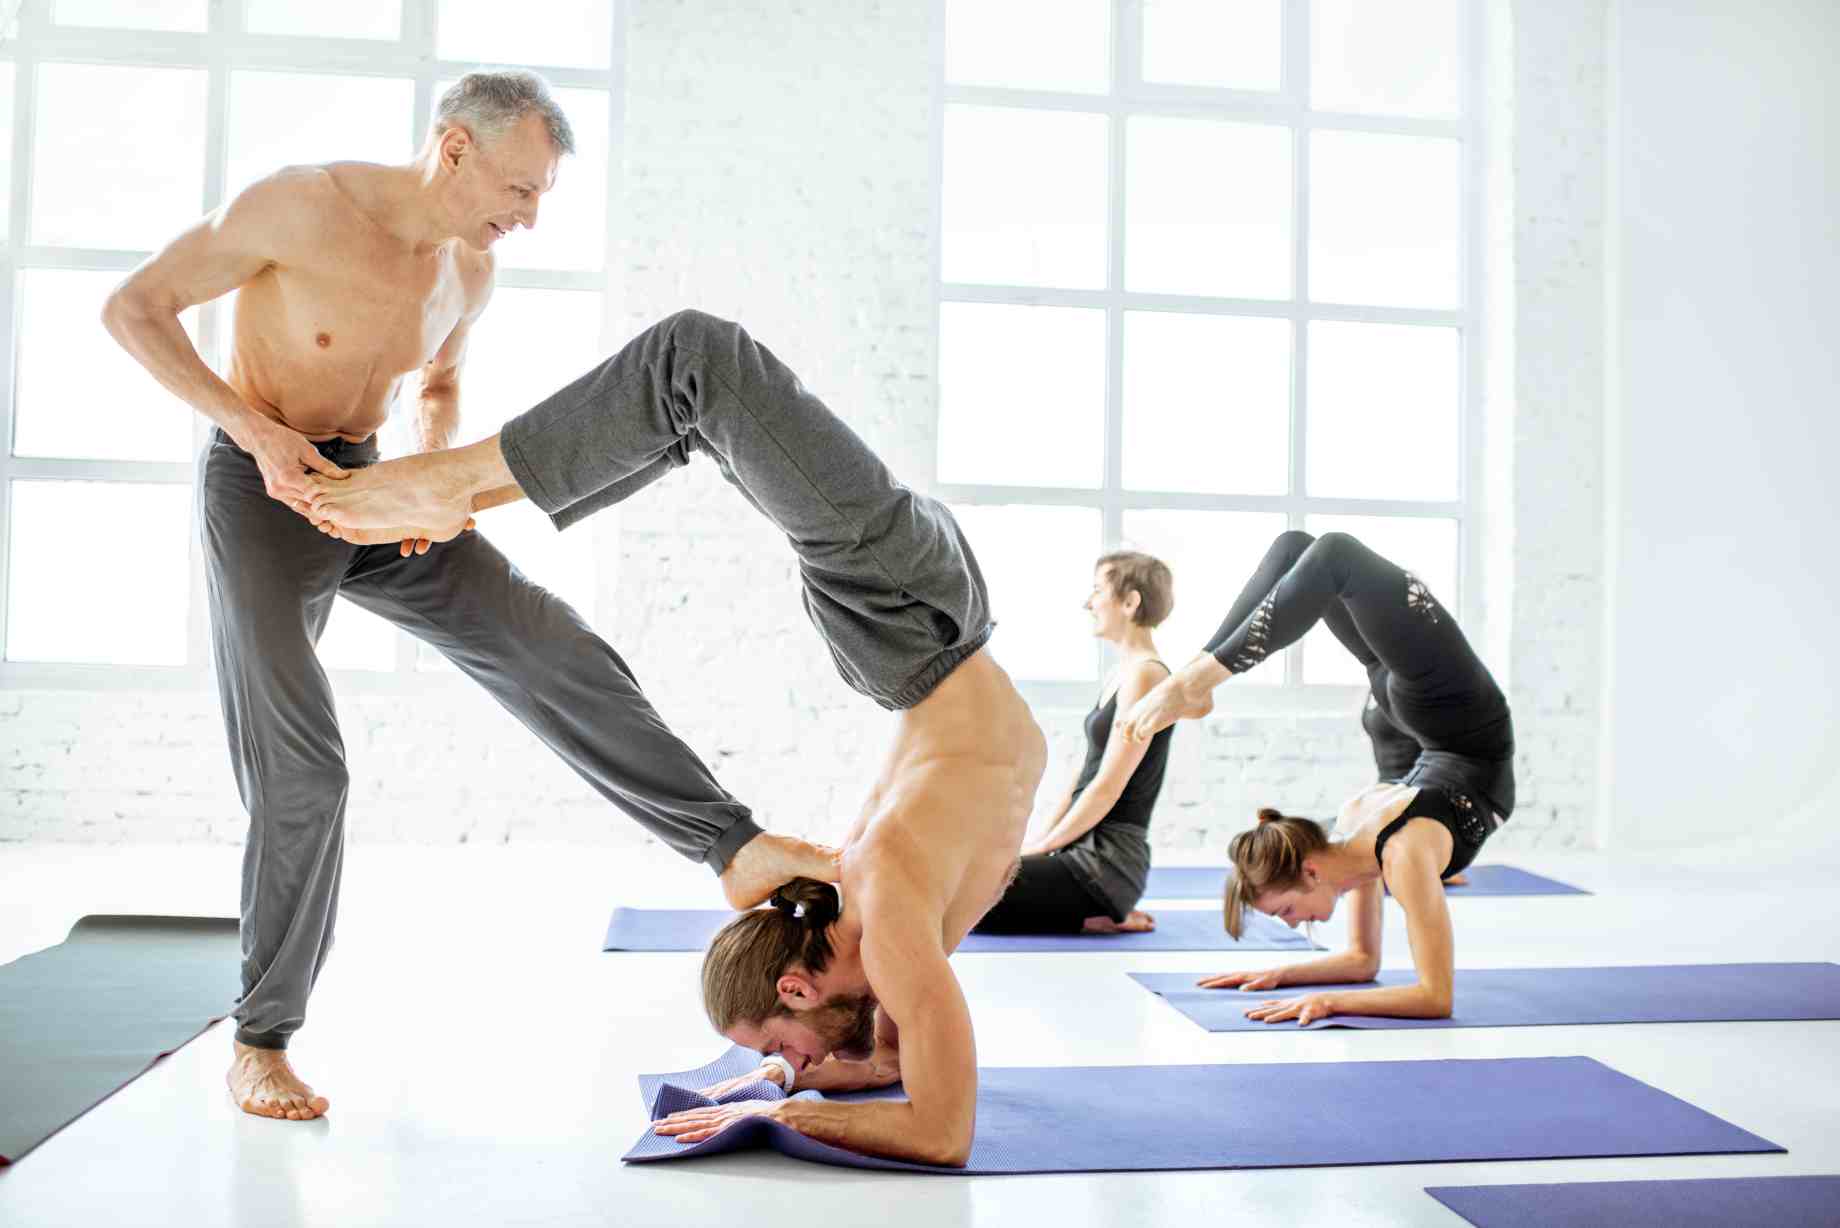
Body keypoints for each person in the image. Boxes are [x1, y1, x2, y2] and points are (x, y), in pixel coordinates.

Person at [101, 71, 833, 1125]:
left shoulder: (468, 268)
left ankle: (731, 843)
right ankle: (262, 1041)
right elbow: (135, 308)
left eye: (539, 197)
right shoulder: (298, 206)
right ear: (453, 148)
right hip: (263, 491)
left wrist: (434, 479)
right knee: (306, 769)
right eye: (521, 187)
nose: (530, 215)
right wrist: (256, 431)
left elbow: (437, 384)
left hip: (375, 490)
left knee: (548, 637)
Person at [301, 306, 1048, 1168]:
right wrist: (787, 1085)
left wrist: (787, 1115)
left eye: (777, 1044)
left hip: (913, 616)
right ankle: (459, 487)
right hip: (924, 631)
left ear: (797, 986)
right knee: (700, 410)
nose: (786, 1063)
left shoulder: (886, 913)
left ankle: (452, 483)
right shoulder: (886, 927)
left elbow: (940, 1132)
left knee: (699, 360)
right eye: (777, 1058)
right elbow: (886, 1063)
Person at [1116, 530, 1514, 1024]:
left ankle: (1198, 677)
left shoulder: (1379, 845)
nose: (1293, 924)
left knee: (1315, 552)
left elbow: (1435, 998)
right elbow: (1362, 962)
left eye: (1285, 912)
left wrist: (1326, 1001)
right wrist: (1284, 975)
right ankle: (1196, 677)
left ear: (1309, 871)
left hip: (1448, 722)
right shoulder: (1372, 851)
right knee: (1321, 558)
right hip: (1435, 728)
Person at [975, 551, 1176, 935]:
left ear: (1130, 602)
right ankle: (1089, 915)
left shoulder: (1147, 676)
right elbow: (1085, 775)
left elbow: (1106, 789)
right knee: (973, 878)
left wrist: (1038, 851)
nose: (1089, 602)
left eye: (1098, 590)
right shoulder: (1124, 673)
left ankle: (1097, 911)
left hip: (1104, 864)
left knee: (967, 895)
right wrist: (1037, 844)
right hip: (1079, 854)